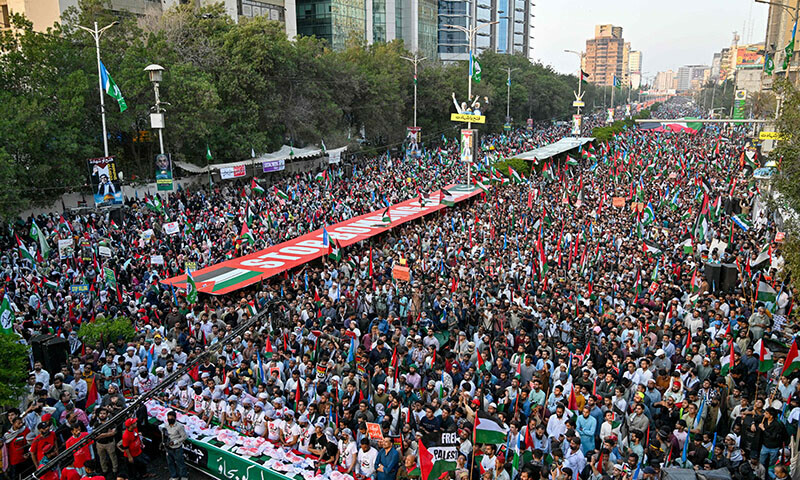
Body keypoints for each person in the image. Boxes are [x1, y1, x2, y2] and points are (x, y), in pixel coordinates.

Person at [160, 410, 189, 480]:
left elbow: (184, 437)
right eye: (168, 418)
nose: (170, 419)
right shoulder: (166, 425)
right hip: (168, 447)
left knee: (180, 463)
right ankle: (174, 476)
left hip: (177, 448)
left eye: (171, 418)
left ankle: (184, 476)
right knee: (170, 463)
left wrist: (175, 442)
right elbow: (164, 434)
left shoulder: (179, 426)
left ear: (175, 418)